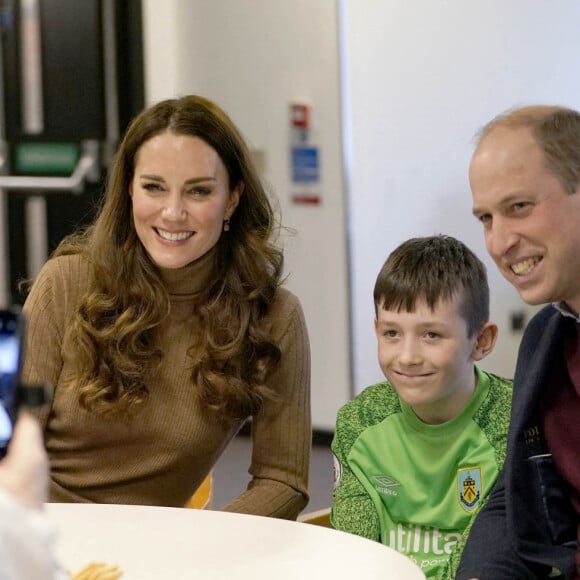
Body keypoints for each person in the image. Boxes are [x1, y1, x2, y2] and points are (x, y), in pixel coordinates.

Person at [20, 95, 311, 518]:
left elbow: (283, 480)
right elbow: (9, 447)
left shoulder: (273, 316)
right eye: (154, 187)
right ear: (129, 191)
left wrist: (197, 547)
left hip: (164, 552)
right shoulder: (65, 283)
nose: (173, 213)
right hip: (41, 534)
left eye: (198, 191)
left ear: (232, 199)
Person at [331, 235, 512, 579]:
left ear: (481, 341)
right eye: (391, 333)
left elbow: (489, 556)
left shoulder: (513, 422)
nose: (408, 357)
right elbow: (356, 551)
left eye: (431, 335)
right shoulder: (360, 421)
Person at [456, 106, 580, 579]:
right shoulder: (547, 337)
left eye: (519, 208)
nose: (499, 242)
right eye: (486, 218)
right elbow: (516, 495)